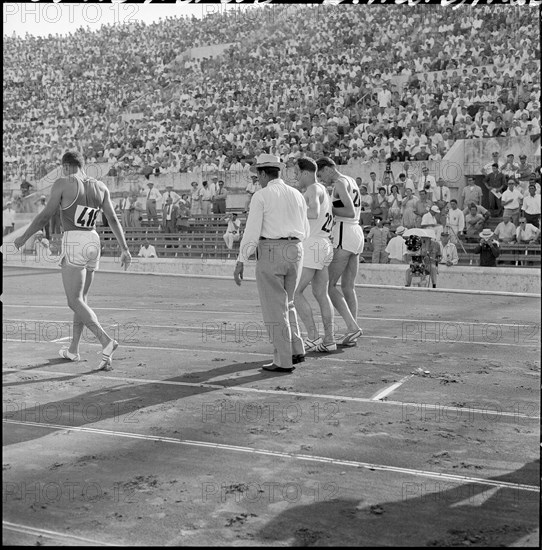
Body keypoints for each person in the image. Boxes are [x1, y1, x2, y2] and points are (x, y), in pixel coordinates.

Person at [14, 151, 132, 370]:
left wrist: (23, 237)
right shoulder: (101, 186)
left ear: (66, 166)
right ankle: (74, 350)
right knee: (82, 299)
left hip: (75, 239)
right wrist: (124, 249)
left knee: (73, 300)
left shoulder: (64, 182)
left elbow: (44, 216)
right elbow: (113, 219)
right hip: (94, 240)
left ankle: (106, 340)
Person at [234, 153, 309, 373]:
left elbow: (252, 232)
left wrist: (241, 259)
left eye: (258, 175)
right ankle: (296, 348)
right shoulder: (297, 194)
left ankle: (283, 359)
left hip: (271, 250)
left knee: (274, 308)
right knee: (289, 302)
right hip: (296, 249)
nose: (258, 180)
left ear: (264, 173)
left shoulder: (262, 196)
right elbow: (305, 228)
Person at [316, 157, 364, 346]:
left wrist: (328, 210)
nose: (321, 180)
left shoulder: (339, 183)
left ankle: (353, 327)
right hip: (356, 233)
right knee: (348, 287)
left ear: (328, 169)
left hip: (346, 232)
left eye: (320, 175)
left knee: (329, 286)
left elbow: (350, 211)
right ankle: (352, 331)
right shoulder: (350, 180)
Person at [293, 158, 336, 353]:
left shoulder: (313, 189)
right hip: (324, 243)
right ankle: (329, 339)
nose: (295, 177)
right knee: (321, 294)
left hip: (314, 244)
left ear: (305, 173)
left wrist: (295, 209)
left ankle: (312, 336)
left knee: (295, 292)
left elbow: (313, 213)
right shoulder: (322, 190)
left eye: (296, 173)